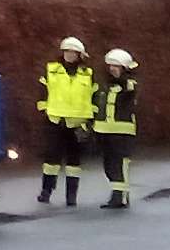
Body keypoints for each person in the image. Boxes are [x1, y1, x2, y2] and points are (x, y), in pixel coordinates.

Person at [37, 36, 96, 205]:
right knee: (51, 160)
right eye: (67, 52)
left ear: (80, 55)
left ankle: (71, 196)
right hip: (55, 120)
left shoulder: (88, 74)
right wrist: (44, 113)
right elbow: (42, 92)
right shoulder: (51, 69)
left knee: (74, 163)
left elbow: (95, 97)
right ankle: (46, 191)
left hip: (78, 123)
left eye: (73, 52)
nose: (70, 55)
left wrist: (90, 120)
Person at [93, 47, 140, 208]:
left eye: (117, 66)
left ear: (124, 69)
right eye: (111, 66)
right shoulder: (103, 86)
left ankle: (122, 196)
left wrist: (124, 77)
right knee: (109, 165)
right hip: (103, 130)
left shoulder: (129, 85)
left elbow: (129, 89)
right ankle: (116, 193)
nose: (112, 69)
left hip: (122, 132)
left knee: (120, 164)